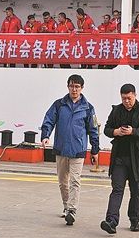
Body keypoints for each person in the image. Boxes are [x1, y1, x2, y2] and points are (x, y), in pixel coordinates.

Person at [40, 74, 100, 226]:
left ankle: (72, 210)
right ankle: (66, 206)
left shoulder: (88, 108)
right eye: (72, 86)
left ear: (82, 88)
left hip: (78, 150)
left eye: (77, 87)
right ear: (68, 86)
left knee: (75, 181)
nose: (74, 89)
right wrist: (45, 135)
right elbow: (49, 120)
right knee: (62, 182)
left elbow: (93, 129)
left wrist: (95, 148)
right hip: (61, 149)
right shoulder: (59, 105)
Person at [101, 84, 139, 234]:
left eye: (129, 98)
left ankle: (134, 220)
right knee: (117, 189)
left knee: (136, 191)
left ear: (135, 95)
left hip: (137, 158)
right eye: (124, 98)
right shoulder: (116, 110)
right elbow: (107, 129)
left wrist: (132, 131)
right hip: (119, 158)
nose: (126, 101)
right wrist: (116, 132)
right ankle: (111, 221)